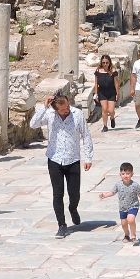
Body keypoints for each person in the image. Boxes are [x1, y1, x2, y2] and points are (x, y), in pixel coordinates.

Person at [30, 92, 94, 237]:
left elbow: (86, 135)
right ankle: (62, 225)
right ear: (56, 109)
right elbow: (32, 124)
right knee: (57, 194)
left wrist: (88, 157)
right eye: (63, 109)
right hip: (54, 159)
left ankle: (73, 208)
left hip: (73, 159)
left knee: (74, 193)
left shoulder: (77, 114)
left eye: (67, 106)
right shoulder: (50, 115)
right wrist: (44, 108)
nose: (67, 110)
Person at [99, 162, 140, 246]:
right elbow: (112, 192)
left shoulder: (135, 185)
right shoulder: (118, 185)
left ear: (132, 174)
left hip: (133, 206)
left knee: (131, 219)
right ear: (120, 174)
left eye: (128, 173)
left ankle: (133, 235)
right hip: (122, 208)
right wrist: (105, 195)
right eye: (123, 174)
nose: (125, 176)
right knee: (124, 223)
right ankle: (126, 235)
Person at [94, 54, 118, 132]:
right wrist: (96, 94)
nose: (105, 64)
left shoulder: (113, 71)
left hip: (111, 92)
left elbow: (116, 83)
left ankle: (112, 118)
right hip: (102, 92)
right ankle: (105, 126)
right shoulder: (98, 71)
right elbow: (96, 83)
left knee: (110, 110)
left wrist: (118, 93)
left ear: (109, 63)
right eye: (103, 62)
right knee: (104, 109)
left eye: (107, 63)